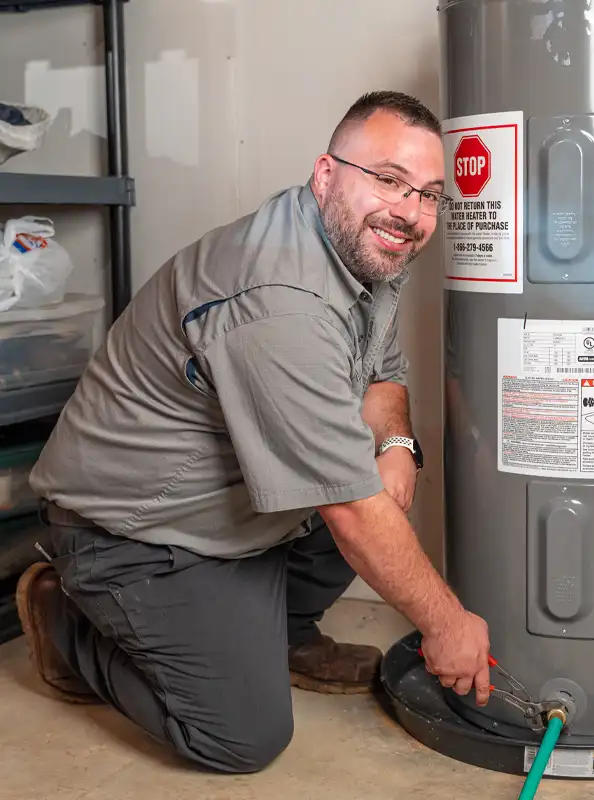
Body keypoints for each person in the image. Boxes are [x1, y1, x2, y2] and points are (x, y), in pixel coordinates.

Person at [15, 90, 492, 774]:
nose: (411, 212)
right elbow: (351, 511)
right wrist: (447, 624)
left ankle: (286, 637)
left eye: (429, 195)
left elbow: (383, 372)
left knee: (377, 482)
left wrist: (395, 446)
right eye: (388, 180)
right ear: (326, 173)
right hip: (133, 532)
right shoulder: (279, 300)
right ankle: (68, 621)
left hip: (225, 504)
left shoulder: (360, 247)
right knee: (242, 735)